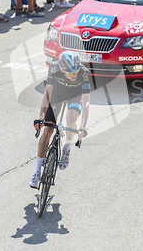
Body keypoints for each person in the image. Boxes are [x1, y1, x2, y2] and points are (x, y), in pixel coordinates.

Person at [30, 51, 90, 188]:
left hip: (75, 96)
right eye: (70, 73)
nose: (74, 75)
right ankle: (37, 172)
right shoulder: (54, 67)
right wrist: (41, 117)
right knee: (48, 129)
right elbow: (47, 93)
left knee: (70, 118)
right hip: (57, 95)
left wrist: (83, 126)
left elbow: (86, 101)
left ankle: (67, 147)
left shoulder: (84, 72)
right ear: (62, 70)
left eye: (76, 72)